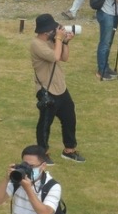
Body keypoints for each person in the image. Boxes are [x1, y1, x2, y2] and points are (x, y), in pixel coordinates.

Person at [29, 14, 85, 163]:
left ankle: (69, 149)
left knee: (69, 119)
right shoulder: (36, 44)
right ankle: (43, 152)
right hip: (47, 90)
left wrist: (65, 41)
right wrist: (59, 39)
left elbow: (64, 58)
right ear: (45, 31)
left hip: (61, 87)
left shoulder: (52, 41)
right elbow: (54, 57)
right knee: (45, 123)